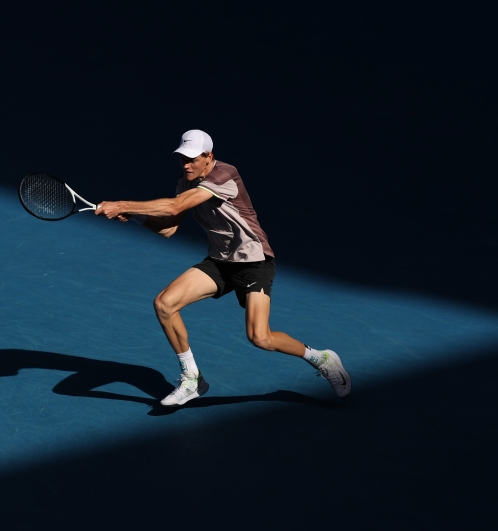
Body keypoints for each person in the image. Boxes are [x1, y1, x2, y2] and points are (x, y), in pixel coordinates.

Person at [95, 129, 351, 406]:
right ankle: (192, 378)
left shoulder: (225, 174)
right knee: (165, 304)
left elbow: (175, 207)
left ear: (209, 156)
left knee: (260, 337)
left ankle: (320, 358)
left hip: (254, 262)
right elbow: (169, 229)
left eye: (192, 159)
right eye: (182, 159)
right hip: (219, 261)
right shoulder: (185, 182)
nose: (186, 165)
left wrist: (121, 203)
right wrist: (132, 215)